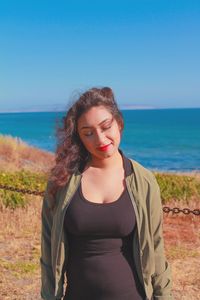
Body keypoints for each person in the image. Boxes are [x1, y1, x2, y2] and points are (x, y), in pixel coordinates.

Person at [40, 87, 173, 300]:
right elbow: (48, 248)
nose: (100, 139)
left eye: (106, 127)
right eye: (88, 133)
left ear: (119, 124)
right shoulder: (62, 181)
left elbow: (156, 248)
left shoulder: (144, 181)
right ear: (79, 138)